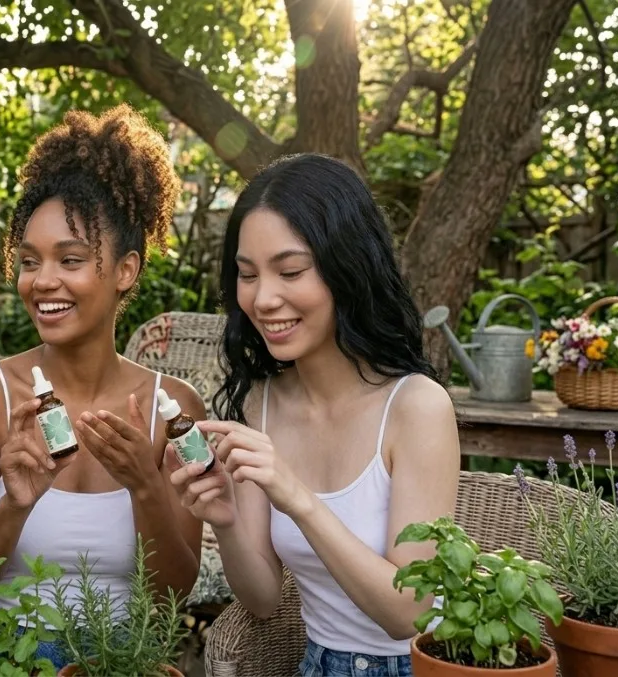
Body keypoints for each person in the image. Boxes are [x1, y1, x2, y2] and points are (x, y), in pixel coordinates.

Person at [0, 105, 205, 669]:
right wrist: (15, 508)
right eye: (29, 261)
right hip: (2, 658)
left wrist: (145, 487)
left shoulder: (173, 411)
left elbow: (173, 595)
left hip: (119, 661)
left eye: (71, 259)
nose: (43, 281)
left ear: (125, 270)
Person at [169, 154, 459, 677]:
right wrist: (226, 519)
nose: (264, 299)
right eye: (247, 275)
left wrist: (296, 497)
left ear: (348, 266)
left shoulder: (416, 407)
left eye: (291, 271)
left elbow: (408, 614)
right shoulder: (262, 404)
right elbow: (260, 599)